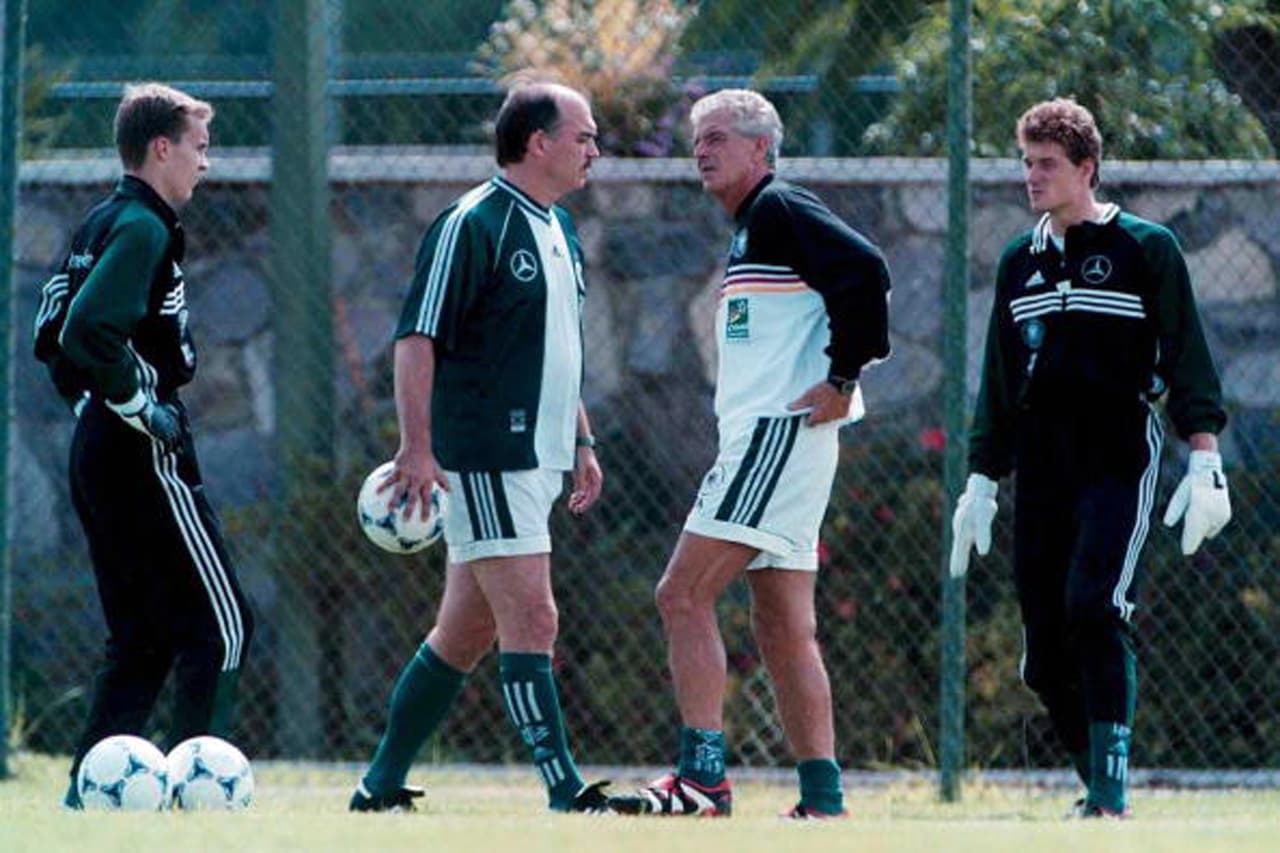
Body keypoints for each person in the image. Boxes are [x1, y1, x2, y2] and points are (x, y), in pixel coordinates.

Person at [608, 89, 891, 819]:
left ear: (762, 150)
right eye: (697, 138)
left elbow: (866, 270)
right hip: (780, 443)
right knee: (782, 625)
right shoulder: (752, 227)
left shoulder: (779, 208)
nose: (702, 150)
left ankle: (702, 779)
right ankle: (823, 799)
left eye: (720, 138)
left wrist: (842, 376)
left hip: (776, 438)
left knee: (682, 593)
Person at [950, 98, 1230, 818]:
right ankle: (1093, 785)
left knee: (1096, 604)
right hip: (1043, 466)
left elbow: (1188, 356)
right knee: (1044, 652)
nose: (1033, 177)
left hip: (1118, 455)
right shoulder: (1021, 261)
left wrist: (1205, 458)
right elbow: (1000, 380)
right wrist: (981, 478)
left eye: (1047, 164)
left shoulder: (1147, 248)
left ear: (1087, 168)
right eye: (1026, 163)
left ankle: (1110, 792)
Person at [348, 80, 611, 814]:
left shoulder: (560, 230)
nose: (595, 149)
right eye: (584, 135)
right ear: (538, 143)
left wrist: (582, 439)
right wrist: (416, 449)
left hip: (541, 457)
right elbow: (415, 338)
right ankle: (566, 791)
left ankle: (378, 785)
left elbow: (559, 351)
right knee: (535, 618)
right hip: (487, 455)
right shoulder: (473, 223)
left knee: (464, 631)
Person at [33, 83, 254, 809]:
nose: (205, 163)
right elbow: (86, 328)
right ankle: (200, 801)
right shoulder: (143, 226)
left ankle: (85, 799)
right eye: (199, 147)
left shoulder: (101, 219)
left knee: (142, 640)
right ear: (161, 147)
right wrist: (134, 402)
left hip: (97, 443)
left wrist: (94, 401)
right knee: (222, 626)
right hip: (138, 446)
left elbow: (52, 334)